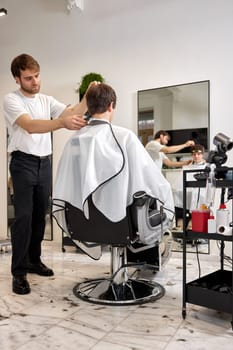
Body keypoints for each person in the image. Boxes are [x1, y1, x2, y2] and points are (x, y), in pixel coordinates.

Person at [3, 53, 94, 295]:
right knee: (23, 217)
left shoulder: (46, 99)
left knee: (39, 216)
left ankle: (34, 260)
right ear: (17, 79)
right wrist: (62, 124)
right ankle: (19, 273)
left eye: (36, 76)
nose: (34, 81)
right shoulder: (11, 100)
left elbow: (70, 111)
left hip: (45, 164)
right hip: (22, 164)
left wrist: (88, 97)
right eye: (28, 78)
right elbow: (31, 126)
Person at [53, 83, 175, 247]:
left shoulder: (74, 141)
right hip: (120, 224)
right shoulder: (125, 137)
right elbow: (152, 180)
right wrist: (166, 192)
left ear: (88, 106)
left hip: (82, 223)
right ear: (111, 105)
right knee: (159, 196)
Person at [173, 144, 207, 229]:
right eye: (194, 154)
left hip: (201, 193)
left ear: (202, 154)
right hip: (187, 191)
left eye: (198, 154)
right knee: (177, 196)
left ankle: (193, 224)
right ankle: (180, 225)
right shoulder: (187, 167)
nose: (196, 156)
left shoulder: (207, 167)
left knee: (198, 200)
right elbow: (179, 182)